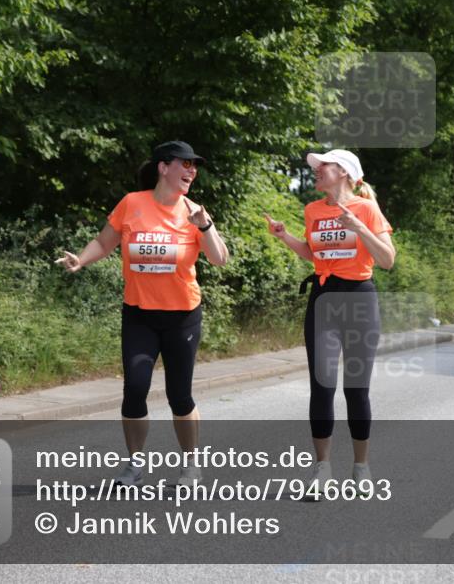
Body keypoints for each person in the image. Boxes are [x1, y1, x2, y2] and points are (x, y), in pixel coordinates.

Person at [56, 140, 229, 487]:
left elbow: (220, 259)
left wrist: (205, 226)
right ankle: (134, 465)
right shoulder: (132, 204)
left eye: (195, 166)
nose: (192, 171)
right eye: (185, 163)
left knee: (180, 396)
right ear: (163, 167)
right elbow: (105, 242)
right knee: (135, 389)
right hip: (139, 314)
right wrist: (81, 260)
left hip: (182, 316)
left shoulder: (194, 211)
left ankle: (191, 466)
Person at [264, 149, 395, 500]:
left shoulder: (366, 209)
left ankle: (361, 467)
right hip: (323, 300)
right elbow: (314, 252)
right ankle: (322, 469)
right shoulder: (312, 210)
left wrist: (360, 228)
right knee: (321, 387)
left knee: (356, 389)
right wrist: (284, 236)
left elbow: (387, 259)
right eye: (317, 167)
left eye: (324, 166)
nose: (317, 171)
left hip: (358, 300)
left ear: (345, 173)